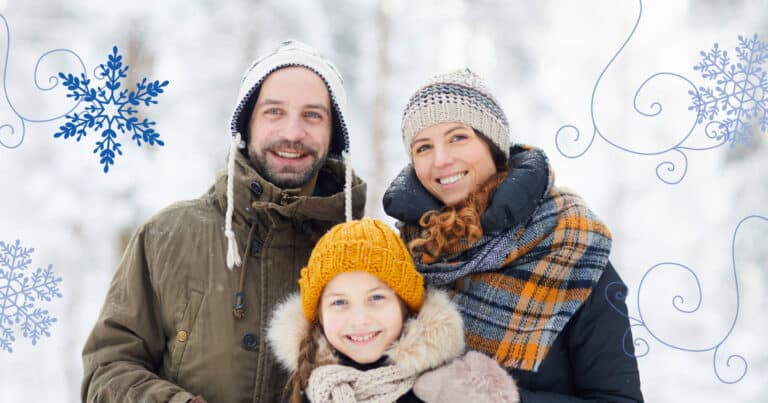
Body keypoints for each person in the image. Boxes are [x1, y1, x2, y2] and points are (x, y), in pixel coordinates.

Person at [81, 40, 366, 403]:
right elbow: (107, 368)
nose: (293, 133)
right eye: (274, 112)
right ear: (246, 126)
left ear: (333, 135)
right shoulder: (168, 236)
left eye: (312, 115)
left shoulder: (363, 251)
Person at [382, 68, 644, 402]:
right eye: (423, 148)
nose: (441, 160)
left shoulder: (573, 250)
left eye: (458, 137)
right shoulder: (400, 260)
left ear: (492, 145)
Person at [267, 218, 521, 403]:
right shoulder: (309, 389)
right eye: (339, 302)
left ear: (404, 305)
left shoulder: (450, 388)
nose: (359, 319)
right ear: (319, 316)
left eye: (376, 297)